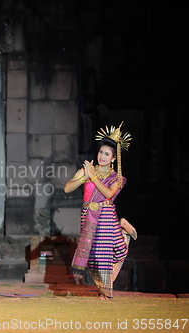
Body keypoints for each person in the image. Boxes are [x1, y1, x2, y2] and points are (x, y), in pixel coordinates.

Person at [64, 122, 137, 299]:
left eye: (106, 154)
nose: (102, 156)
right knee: (93, 255)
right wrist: (84, 177)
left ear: (113, 158)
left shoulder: (117, 178)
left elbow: (109, 194)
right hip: (88, 215)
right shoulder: (86, 170)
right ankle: (104, 291)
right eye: (100, 152)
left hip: (105, 215)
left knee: (113, 252)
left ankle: (105, 293)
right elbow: (67, 188)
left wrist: (93, 176)